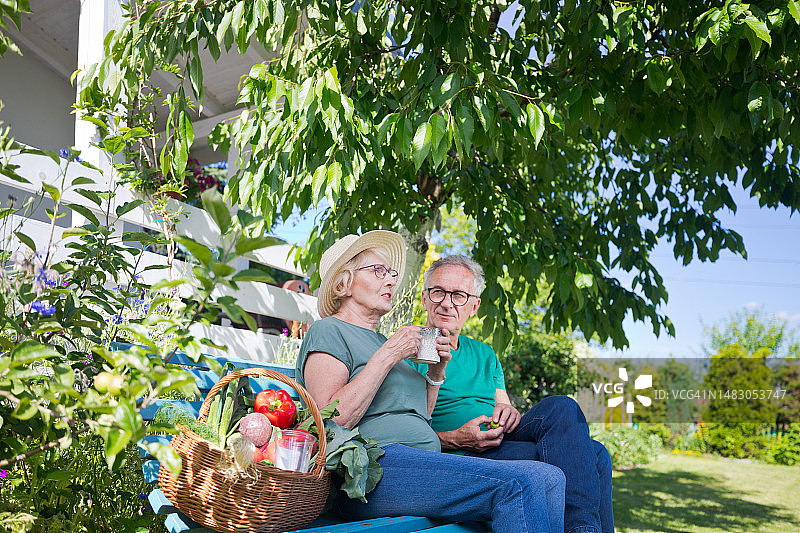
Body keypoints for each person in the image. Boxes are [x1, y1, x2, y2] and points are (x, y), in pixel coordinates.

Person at [295, 231, 566, 533]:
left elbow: (421, 417)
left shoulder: (383, 341)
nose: (390, 281)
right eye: (378, 271)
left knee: (550, 477)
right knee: (522, 484)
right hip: (371, 469)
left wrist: (436, 373)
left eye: (391, 273)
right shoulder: (329, 331)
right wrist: (388, 354)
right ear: (344, 283)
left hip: (419, 463)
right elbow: (332, 421)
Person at [410, 255, 614, 533]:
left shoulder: (485, 353)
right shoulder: (410, 349)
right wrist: (457, 439)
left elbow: (503, 406)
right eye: (438, 292)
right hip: (458, 455)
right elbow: (403, 435)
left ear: (474, 306)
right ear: (424, 299)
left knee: (563, 406)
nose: (446, 303)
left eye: (458, 295)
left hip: (499, 440)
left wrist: (507, 413)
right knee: (595, 454)